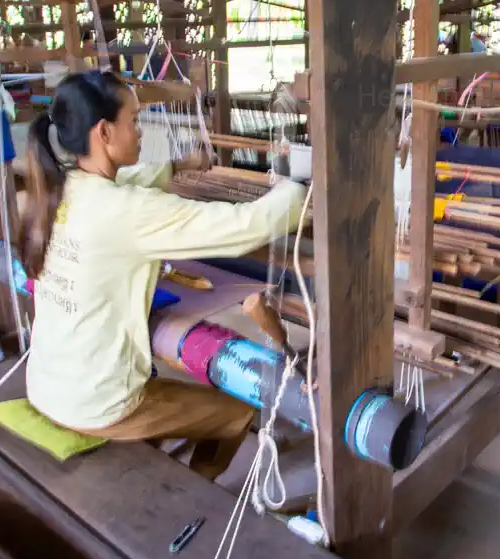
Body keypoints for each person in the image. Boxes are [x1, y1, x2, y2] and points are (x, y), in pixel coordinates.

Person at [20, 71, 306, 481]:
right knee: (239, 412)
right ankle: (193, 493)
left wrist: (177, 166)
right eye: (134, 120)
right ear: (104, 132)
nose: (140, 131)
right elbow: (245, 225)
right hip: (95, 404)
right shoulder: (126, 211)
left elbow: (129, 182)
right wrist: (299, 187)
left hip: (47, 385)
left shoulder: (61, 190)